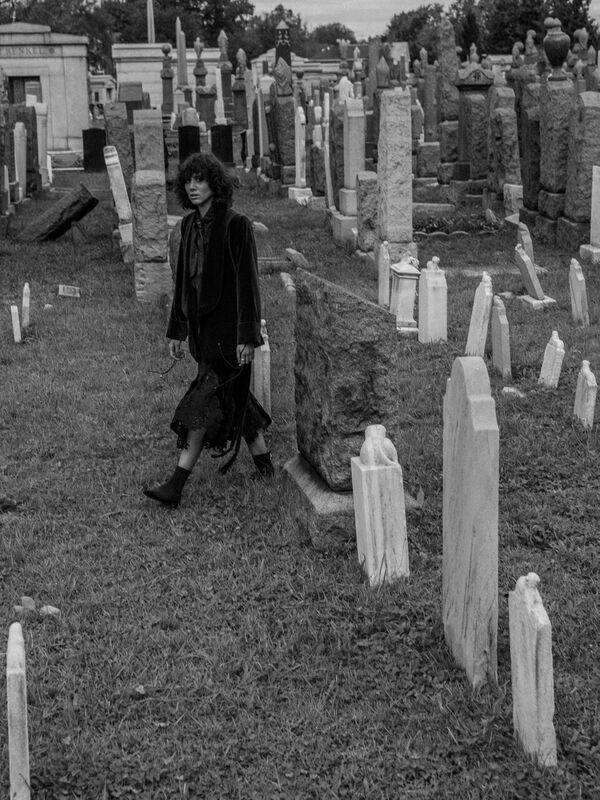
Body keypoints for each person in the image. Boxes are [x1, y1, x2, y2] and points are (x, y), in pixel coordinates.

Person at [143, 153, 273, 508]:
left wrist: (247, 336)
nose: (193, 186)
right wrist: (177, 330)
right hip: (202, 333)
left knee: (200, 403)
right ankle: (265, 467)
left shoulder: (236, 225)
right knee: (234, 396)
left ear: (215, 184)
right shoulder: (187, 225)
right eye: (188, 180)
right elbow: (183, 283)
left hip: (229, 333)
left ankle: (175, 485)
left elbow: (248, 284)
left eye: (200, 180)